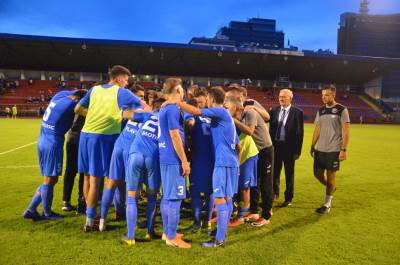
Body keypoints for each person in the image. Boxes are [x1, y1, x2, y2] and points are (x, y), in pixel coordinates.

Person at [74, 65, 149, 232]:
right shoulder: (121, 92)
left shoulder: (95, 90)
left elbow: (77, 109)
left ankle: (90, 216)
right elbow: (144, 105)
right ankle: (93, 220)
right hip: (102, 137)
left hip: (85, 135)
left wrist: (96, 114)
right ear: (119, 78)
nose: (127, 83)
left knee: (87, 177)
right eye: (126, 79)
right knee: (101, 180)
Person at [164, 86, 241, 248]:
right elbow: (239, 147)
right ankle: (222, 233)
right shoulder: (225, 118)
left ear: (212, 99)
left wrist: (176, 102)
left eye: (207, 100)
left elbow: (196, 112)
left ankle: (219, 240)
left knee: (220, 199)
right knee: (226, 199)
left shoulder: (220, 111)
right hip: (231, 162)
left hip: (223, 162)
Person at [23, 89, 86, 221]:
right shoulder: (73, 106)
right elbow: (82, 110)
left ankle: (31, 209)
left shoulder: (60, 96)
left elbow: (73, 92)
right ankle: (47, 213)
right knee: (50, 179)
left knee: (49, 178)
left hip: (43, 138)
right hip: (53, 143)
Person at [99, 86, 146, 231]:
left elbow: (123, 115)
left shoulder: (130, 110)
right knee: (133, 188)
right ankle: (133, 222)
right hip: (131, 149)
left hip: (118, 145)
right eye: (140, 96)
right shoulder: (148, 113)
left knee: (111, 184)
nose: (142, 99)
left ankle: (102, 220)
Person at [228, 88, 274, 227]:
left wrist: (233, 120)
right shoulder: (239, 115)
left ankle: (266, 214)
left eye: (228, 101)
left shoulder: (250, 112)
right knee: (255, 183)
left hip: (265, 149)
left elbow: (249, 131)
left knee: (266, 182)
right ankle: (254, 211)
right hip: (255, 152)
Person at [123, 98, 165, 245]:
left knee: (131, 197)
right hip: (153, 159)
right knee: (152, 197)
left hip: (135, 155)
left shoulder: (148, 115)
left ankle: (130, 237)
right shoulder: (167, 120)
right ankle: (149, 232)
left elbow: (126, 114)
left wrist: (142, 109)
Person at [158, 77, 192, 249]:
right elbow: (174, 135)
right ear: (178, 90)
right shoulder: (171, 109)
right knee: (175, 199)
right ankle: (172, 237)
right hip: (173, 159)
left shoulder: (166, 108)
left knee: (168, 196)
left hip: (165, 158)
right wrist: (184, 161)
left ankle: (167, 232)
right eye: (182, 90)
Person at [311, 85, 350, 214]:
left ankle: (327, 204)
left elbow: (346, 131)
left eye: (326, 95)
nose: (323, 97)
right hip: (320, 149)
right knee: (317, 174)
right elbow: (317, 129)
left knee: (331, 176)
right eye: (322, 95)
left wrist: (343, 150)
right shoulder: (321, 110)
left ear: (333, 95)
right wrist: (312, 145)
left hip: (334, 149)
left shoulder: (341, 110)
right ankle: (331, 187)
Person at [184, 88, 214, 232]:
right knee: (209, 192)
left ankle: (198, 224)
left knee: (196, 191)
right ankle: (206, 222)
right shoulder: (213, 115)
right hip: (211, 160)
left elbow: (188, 125)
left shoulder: (193, 116)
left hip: (199, 160)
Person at [226, 97, 259, 227]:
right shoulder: (228, 120)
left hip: (247, 156)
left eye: (227, 107)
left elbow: (249, 132)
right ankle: (231, 212)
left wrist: (232, 119)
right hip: (237, 157)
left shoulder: (243, 118)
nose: (225, 109)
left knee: (244, 187)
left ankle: (242, 216)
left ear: (235, 108)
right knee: (233, 186)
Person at [269, 89, 304, 206]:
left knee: (289, 173)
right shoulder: (274, 110)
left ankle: (288, 198)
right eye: (280, 96)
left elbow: (300, 133)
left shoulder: (297, 112)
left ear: (290, 98)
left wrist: (297, 151)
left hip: (289, 149)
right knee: (275, 172)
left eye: (284, 97)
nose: (281, 99)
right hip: (276, 147)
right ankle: (275, 193)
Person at [61, 114, 86, 213]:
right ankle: (81, 202)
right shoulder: (87, 103)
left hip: (72, 139)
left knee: (70, 171)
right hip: (82, 140)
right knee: (84, 172)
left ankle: (66, 201)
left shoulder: (75, 104)